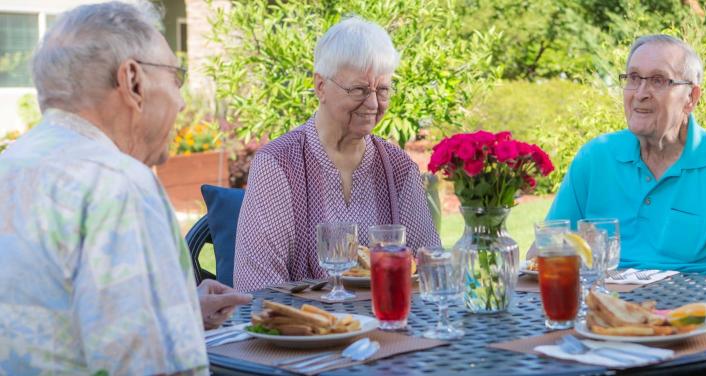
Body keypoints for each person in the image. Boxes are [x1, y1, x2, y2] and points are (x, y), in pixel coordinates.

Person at [0, 2, 250, 374]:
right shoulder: (119, 183)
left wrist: (176, 310)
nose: (181, 101)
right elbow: (155, 366)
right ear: (132, 80)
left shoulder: (13, 164)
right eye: (176, 78)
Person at [233, 17, 441, 292]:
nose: (373, 103)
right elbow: (257, 288)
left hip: (389, 325)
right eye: (359, 89)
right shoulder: (279, 164)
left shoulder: (398, 167)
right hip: (309, 330)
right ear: (320, 86)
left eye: (383, 90)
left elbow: (430, 270)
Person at [543, 35, 706, 275]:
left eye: (658, 80)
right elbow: (544, 253)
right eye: (633, 78)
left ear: (691, 98)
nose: (641, 93)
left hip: (693, 308)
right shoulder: (594, 158)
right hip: (604, 305)